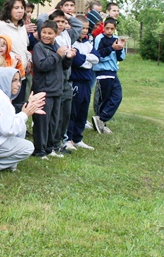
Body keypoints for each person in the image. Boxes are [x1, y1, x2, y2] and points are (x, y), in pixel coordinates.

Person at [0, 68, 44, 172]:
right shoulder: (0, 98)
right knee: (28, 147)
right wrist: (25, 114)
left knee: (22, 127)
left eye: (19, 80)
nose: (18, 84)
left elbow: (7, 121)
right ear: (5, 80)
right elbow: (8, 129)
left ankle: (10, 165)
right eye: (14, 80)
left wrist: (26, 108)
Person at [31, 20, 74, 159]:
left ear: (56, 34)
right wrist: (58, 55)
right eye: (44, 32)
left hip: (57, 89)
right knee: (42, 122)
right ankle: (40, 150)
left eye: (50, 33)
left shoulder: (57, 47)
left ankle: (50, 148)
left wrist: (68, 58)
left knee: (54, 122)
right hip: (44, 89)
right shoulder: (39, 47)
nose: (46, 36)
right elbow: (42, 65)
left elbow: (64, 67)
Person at [67, 15, 99, 149]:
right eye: (82, 28)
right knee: (73, 110)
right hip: (76, 81)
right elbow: (77, 61)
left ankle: (78, 138)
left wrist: (84, 58)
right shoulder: (72, 43)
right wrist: (87, 60)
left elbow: (97, 58)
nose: (85, 31)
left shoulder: (88, 43)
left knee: (83, 110)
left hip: (87, 81)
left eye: (87, 28)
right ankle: (68, 139)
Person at [92, 18, 126, 134]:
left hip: (113, 72)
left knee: (117, 96)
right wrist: (111, 48)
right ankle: (101, 123)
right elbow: (97, 55)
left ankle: (101, 118)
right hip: (103, 73)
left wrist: (120, 49)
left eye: (112, 29)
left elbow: (120, 57)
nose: (109, 31)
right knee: (104, 99)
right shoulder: (99, 39)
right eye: (107, 28)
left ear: (115, 29)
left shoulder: (116, 39)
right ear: (103, 28)